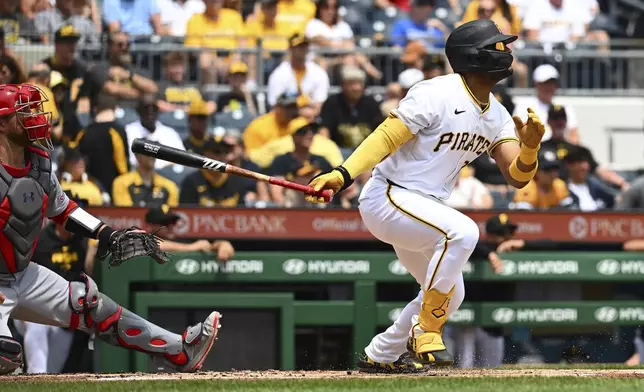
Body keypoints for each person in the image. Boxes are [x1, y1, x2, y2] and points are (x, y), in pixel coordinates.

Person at [306, 20, 546, 372]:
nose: (507, 52)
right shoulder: (436, 92)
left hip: (425, 209)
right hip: (389, 196)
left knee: (453, 294)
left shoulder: (496, 114)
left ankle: (381, 354)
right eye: (499, 46)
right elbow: (386, 136)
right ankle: (426, 330)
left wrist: (530, 149)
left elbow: (517, 177)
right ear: (475, 56)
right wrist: (342, 174)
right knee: (463, 232)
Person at [0, 83, 220, 375]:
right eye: (24, 113)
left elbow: (63, 209)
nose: (37, 118)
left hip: (22, 272)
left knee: (90, 306)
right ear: (2, 122)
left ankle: (180, 351)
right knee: (6, 357)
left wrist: (108, 233)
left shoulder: (39, 163)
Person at [16, 194, 97, 374]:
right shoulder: (40, 240)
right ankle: (35, 374)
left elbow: (90, 271)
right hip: (33, 307)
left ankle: (41, 381)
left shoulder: (82, 243)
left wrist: (91, 249)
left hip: (64, 311)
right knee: (37, 327)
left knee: (53, 370)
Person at [452, 214, 516, 369]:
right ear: (490, 234)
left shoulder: (513, 249)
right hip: (466, 320)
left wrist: (523, 243)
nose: (507, 237)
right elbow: (472, 245)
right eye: (502, 234)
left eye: (509, 233)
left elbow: (550, 245)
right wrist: (490, 254)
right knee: (464, 367)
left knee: (492, 369)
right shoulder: (477, 248)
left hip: (493, 324)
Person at [82, 31, 158, 114]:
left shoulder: (138, 71)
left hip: (137, 116)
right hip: (110, 114)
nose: (124, 48)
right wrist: (143, 93)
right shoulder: (98, 68)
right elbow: (112, 89)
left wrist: (128, 75)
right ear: (110, 47)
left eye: (128, 44)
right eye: (120, 45)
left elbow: (153, 89)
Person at [268, 121, 333, 207]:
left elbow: (338, 184)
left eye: (312, 131)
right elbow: (276, 191)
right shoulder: (282, 161)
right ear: (293, 136)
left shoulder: (321, 160)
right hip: (292, 207)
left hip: (319, 209)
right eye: (303, 131)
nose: (309, 135)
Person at [75, 93, 130, 193]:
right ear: (115, 108)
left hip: (89, 189)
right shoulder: (116, 131)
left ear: (95, 109)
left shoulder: (84, 132)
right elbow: (122, 164)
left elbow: (76, 159)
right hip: (114, 189)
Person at [319, 66, 383, 150]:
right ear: (343, 85)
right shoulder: (332, 103)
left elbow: (380, 130)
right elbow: (324, 131)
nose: (356, 88)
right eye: (352, 83)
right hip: (339, 151)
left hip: (367, 151)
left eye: (360, 83)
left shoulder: (371, 103)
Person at [180, 138, 256, 207]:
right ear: (206, 154)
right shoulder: (192, 181)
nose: (222, 157)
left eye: (226, 152)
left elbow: (242, 215)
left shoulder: (237, 181)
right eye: (217, 152)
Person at [513, 64, 579, 143]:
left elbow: (574, 136)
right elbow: (516, 134)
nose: (549, 87)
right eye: (545, 83)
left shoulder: (564, 107)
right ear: (536, 84)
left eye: (552, 83)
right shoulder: (524, 106)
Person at [267, 33, 329, 115]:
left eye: (304, 46)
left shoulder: (318, 73)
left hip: (312, 119)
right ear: (290, 48)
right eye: (298, 46)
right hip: (286, 121)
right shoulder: (279, 74)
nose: (302, 49)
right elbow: (276, 106)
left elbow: (319, 105)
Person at [145, 205, 235, 259]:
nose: (171, 227)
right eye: (165, 223)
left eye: (173, 222)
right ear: (151, 225)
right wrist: (191, 248)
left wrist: (222, 244)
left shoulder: (182, 241)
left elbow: (206, 246)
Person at [125, 94, 185, 169]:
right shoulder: (128, 132)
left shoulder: (170, 133)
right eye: (146, 108)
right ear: (138, 110)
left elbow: (181, 159)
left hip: (167, 176)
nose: (150, 111)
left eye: (154, 108)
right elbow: (130, 160)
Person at [112, 152, 179, 207]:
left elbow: (173, 212)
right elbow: (126, 212)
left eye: (154, 153)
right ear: (137, 156)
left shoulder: (169, 185)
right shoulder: (121, 182)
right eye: (147, 153)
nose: (151, 157)